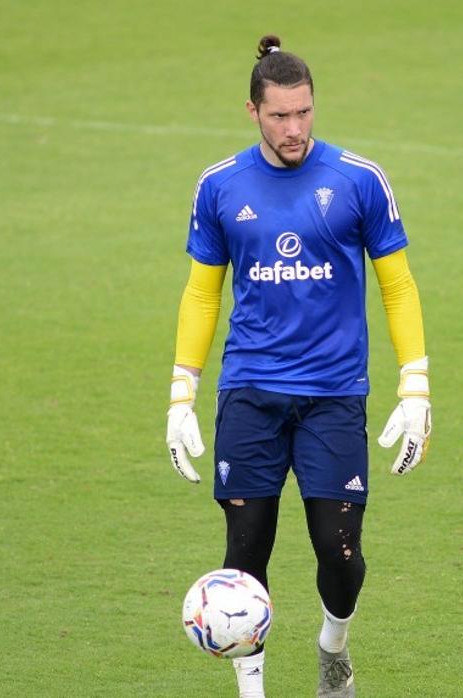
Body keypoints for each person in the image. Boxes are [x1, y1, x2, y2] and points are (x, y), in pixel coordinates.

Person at [165, 34, 432, 698]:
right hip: (251, 391)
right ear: (252, 111)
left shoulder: (358, 180)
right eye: (281, 115)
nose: (295, 129)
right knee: (244, 551)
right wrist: (181, 391)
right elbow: (203, 291)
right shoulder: (220, 186)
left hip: (333, 395)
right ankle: (251, 690)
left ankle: (332, 647)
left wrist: (416, 384)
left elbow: (397, 285)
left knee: (339, 553)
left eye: (304, 113)